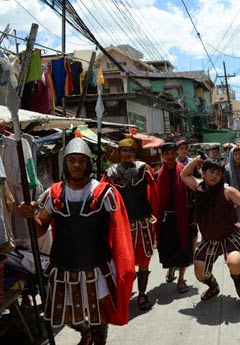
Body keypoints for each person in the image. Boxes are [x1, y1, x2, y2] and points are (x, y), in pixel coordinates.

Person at [19, 137, 135, 345]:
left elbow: (120, 230)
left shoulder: (104, 192)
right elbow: (39, 230)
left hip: (97, 266)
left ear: (88, 163)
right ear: (65, 163)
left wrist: (123, 266)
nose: (76, 165)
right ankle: (86, 331)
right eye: (72, 160)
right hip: (64, 266)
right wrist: (29, 216)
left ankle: (99, 340)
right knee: (65, 314)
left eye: (81, 160)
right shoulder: (54, 192)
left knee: (99, 315)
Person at [180, 157, 240, 306]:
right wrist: (197, 160)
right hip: (209, 239)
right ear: (203, 173)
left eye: (219, 173)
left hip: (229, 236)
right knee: (200, 273)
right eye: (211, 172)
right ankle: (214, 287)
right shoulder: (199, 187)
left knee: (235, 262)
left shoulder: (228, 191)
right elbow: (184, 174)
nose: (215, 176)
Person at [102, 137, 159, 311]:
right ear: (119, 153)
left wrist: (155, 216)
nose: (127, 154)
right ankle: (124, 292)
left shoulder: (144, 169)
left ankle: (142, 293)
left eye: (131, 151)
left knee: (144, 260)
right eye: (124, 150)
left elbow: (155, 193)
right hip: (122, 225)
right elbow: (103, 197)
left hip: (143, 221)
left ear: (135, 153)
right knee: (123, 261)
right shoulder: (110, 173)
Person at [156, 143, 194, 294]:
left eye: (172, 153)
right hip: (165, 218)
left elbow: (193, 194)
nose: (170, 157)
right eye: (167, 154)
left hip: (184, 216)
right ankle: (171, 269)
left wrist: (194, 216)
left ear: (176, 153)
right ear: (162, 155)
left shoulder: (184, 172)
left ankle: (181, 279)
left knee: (183, 248)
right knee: (169, 247)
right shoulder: (157, 174)